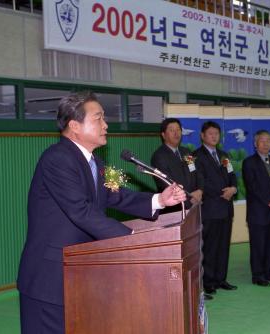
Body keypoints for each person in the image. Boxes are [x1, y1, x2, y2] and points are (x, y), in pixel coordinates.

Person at [17, 92, 186, 334]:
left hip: (79, 273)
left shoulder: (94, 162)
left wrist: (160, 199)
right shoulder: (57, 159)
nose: (106, 125)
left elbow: (117, 196)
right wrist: (134, 240)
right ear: (75, 126)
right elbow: (81, 211)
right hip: (50, 279)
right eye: (98, 119)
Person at [194, 121, 238, 296]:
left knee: (223, 246)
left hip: (226, 209)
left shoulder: (224, 155)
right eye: (210, 133)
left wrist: (233, 188)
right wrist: (223, 191)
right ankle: (208, 282)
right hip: (210, 208)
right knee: (209, 247)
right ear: (202, 136)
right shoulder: (195, 156)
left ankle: (221, 279)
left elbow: (232, 176)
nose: (214, 136)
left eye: (216, 134)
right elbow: (200, 180)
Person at [242, 130, 270, 286]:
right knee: (258, 245)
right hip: (258, 211)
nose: (266, 144)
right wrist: (269, 201)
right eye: (262, 141)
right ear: (255, 143)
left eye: (268, 141)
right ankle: (258, 275)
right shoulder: (248, 162)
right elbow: (252, 186)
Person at [151, 118, 204, 213]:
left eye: (178, 130)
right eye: (171, 130)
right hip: (175, 208)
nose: (176, 133)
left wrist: (200, 191)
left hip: (194, 204)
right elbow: (167, 184)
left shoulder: (186, 152)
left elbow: (196, 172)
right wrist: (189, 198)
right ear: (163, 135)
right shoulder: (159, 156)